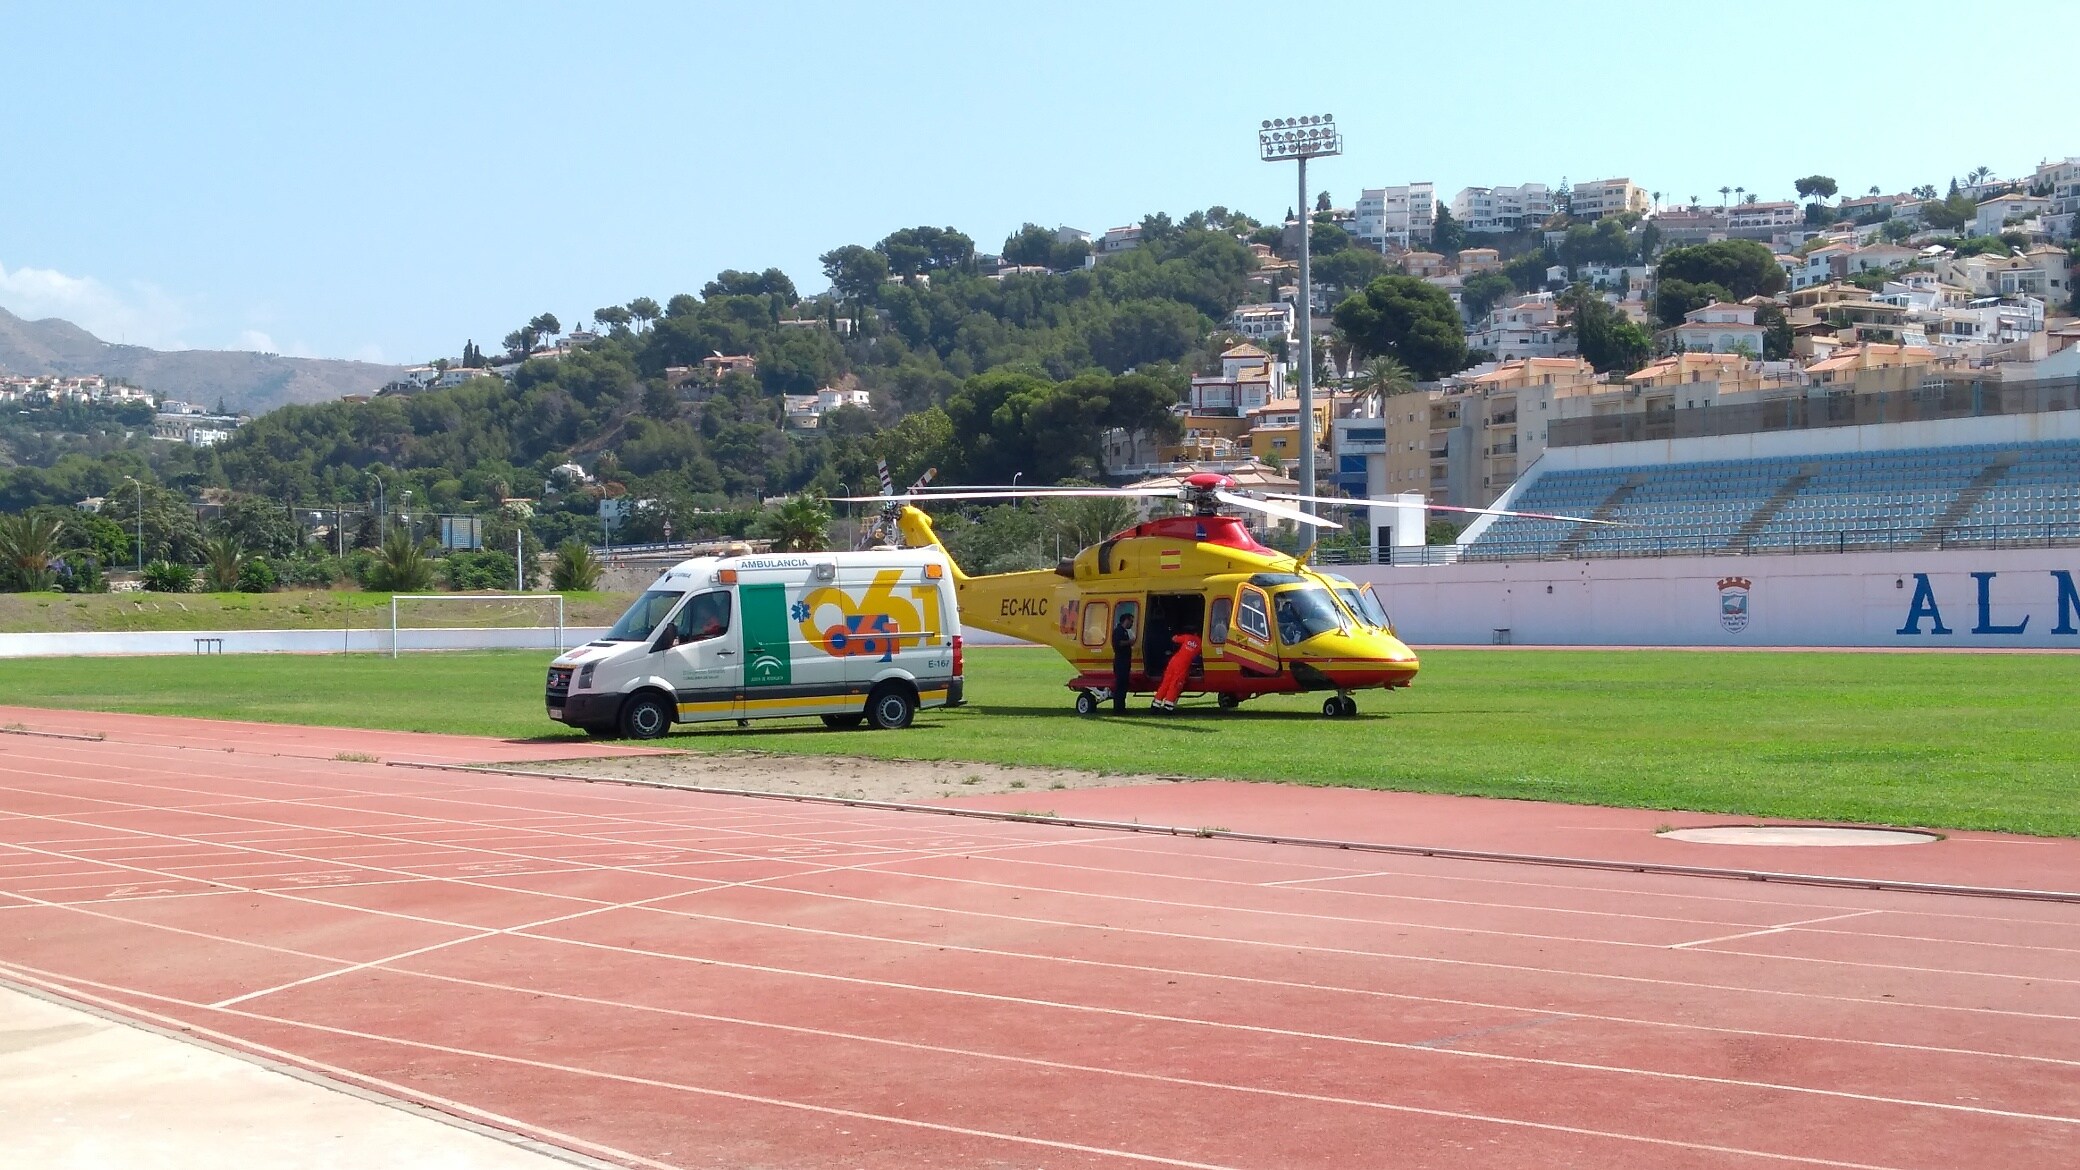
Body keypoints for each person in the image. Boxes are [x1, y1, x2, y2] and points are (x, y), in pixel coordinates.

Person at [1151, 632, 1201, 712]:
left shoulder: (1187, 637)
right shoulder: (1200, 643)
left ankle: (1156, 704)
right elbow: (1197, 657)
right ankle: (1168, 706)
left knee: (1166, 682)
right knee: (1175, 684)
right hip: (1183, 665)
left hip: (1174, 661)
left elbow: (1174, 639)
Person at [1110, 611, 1136, 713]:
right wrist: (1129, 642)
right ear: (1126, 620)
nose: (1132, 624)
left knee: (1124, 685)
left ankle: (1122, 707)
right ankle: (1117, 708)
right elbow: (1118, 643)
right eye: (1131, 621)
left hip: (1125, 662)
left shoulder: (1126, 631)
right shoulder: (1118, 631)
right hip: (1120, 662)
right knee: (1120, 685)